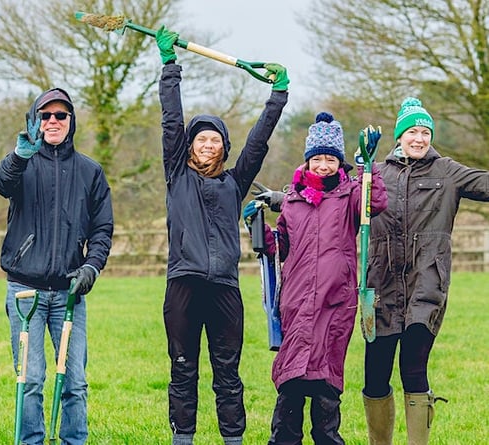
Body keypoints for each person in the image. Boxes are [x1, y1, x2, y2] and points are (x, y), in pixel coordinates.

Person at [155, 25, 289, 445]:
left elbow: (258, 142)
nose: (208, 144)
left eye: (215, 140)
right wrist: (169, 66)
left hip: (225, 289)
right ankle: (184, 438)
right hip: (184, 284)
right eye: (201, 139)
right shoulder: (176, 173)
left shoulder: (235, 181)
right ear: (191, 146)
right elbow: (172, 121)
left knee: (228, 373)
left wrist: (277, 98)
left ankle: (233, 438)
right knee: (183, 367)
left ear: (223, 148)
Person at [243, 113, 388, 444]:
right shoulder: (292, 203)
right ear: (307, 161)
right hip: (296, 303)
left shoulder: (351, 194)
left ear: (340, 162)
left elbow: (376, 202)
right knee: (291, 386)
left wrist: (368, 166)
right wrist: (256, 227)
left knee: (325, 387)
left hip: (335, 304)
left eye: (331, 159)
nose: (324, 165)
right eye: (318, 159)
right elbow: (281, 248)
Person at [362, 97, 489, 445]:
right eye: (412, 131)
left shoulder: (446, 171)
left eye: (425, 132)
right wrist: (282, 199)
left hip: (426, 286)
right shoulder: (376, 173)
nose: (419, 138)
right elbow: (330, 196)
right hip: (380, 287)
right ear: (399, 135)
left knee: (413, 368)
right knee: (375, 375)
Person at [0, 87, 113, 445]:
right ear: (35, 120)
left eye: (61, 115)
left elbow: (103, 228)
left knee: (74, 380)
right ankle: (31, 440)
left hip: (68, 292)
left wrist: (91, 267)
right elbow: (0, 183)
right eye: (46, 115)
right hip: (24, 291)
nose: (53, 121)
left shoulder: (90, 171)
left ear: (71, 122)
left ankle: (73, 440)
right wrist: (19, 155)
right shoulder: (22, 164)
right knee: (30, 379)